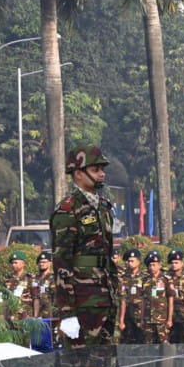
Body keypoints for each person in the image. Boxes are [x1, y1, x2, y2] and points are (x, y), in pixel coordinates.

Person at [50, 146, 117, 348]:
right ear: (78, 174)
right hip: (82, 300)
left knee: (105, 363)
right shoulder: (68, 210)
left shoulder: (103, 206)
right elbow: (62, 263)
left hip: (105, 296)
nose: (102, 174)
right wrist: (67, 312)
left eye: (102, 169)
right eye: (96, 170)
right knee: (80, 364)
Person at [143, 251, 174, 343]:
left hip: (162, 319)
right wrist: (142, 319)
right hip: (148, 319)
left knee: (164, 343)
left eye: (154, 265)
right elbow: (143, 301)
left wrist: (169, 319)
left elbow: (170, 300)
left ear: (159, 265)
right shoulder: (145, 280)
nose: (152, 267)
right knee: (149, 344)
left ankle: (168, 358)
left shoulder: (166, 280)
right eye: (150, 265)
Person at [166, 249, 184, 344]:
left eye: (176, 262)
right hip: (172, 315)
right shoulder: (167, 278)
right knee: (172, 341)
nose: (174, 265)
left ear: (182, 263)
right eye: (172, 262)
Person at [118, 249, 146, 344]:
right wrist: (121, 320)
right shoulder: (124, 277)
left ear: (138, 261)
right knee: (127, 341)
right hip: (127, 315)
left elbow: (146, 299)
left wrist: (143, 319)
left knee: (141, 340)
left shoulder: (145, 277)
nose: (130, 263)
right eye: (128, 261)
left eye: (132, 261)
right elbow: (122, 299)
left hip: (140, 315)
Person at [5, 250, 32, 323]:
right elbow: (5, 298)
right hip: (12, 315)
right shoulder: (8, 278)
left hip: (26, 314)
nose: (13, 265)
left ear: (23, 263)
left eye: (16, 263)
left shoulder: (30, 278)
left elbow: (35, 297)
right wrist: (6, 315)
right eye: (12, 263)